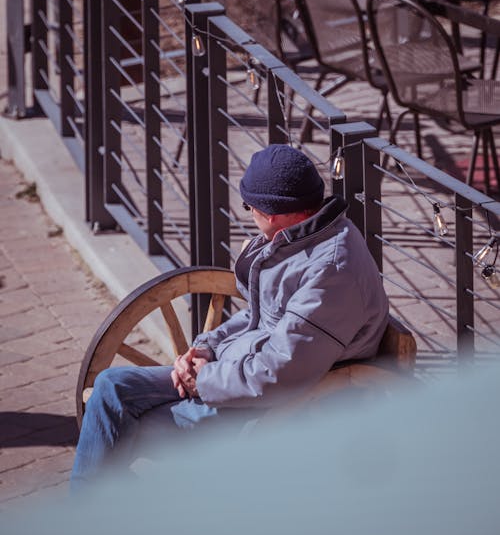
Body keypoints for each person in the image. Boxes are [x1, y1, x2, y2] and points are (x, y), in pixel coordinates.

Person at [71, 144, 388, 488]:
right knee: (111, 386)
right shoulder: (296, 241)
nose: (248, 212)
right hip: (232, 375)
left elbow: (281, 372)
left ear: (272, 214)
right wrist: (205, 348)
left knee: (124, 423)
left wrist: (204, 380)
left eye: (249, 205)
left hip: (266, 407)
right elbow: (259, 316)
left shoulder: (330, 271)